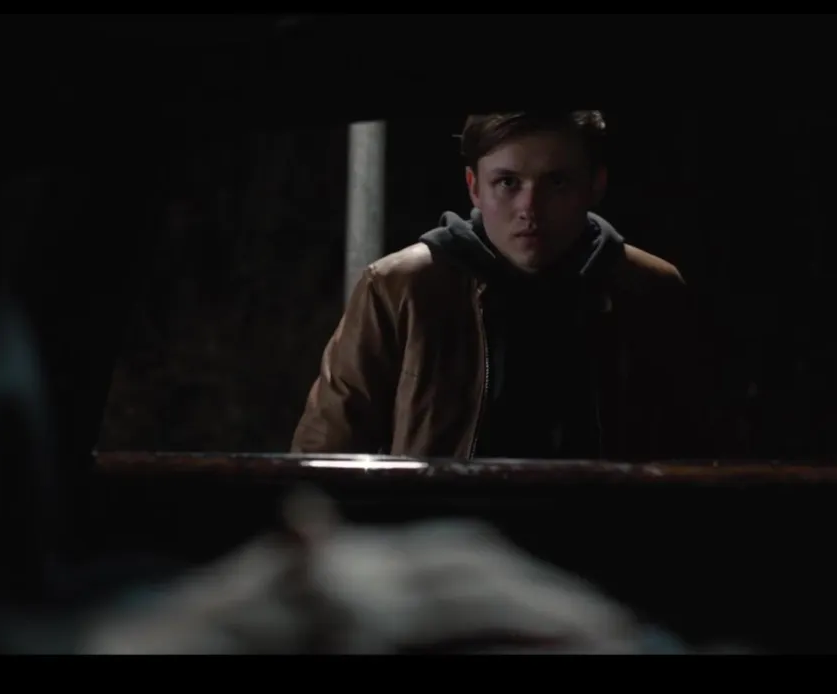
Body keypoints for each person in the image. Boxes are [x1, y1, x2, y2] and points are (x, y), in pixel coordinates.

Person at [293, 111, 709, 460]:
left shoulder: (648, 290)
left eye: (557, 182)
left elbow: (697, 451)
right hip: (442, 531)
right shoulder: (400, 288)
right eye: (508, 182)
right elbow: (326, 454)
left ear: (595, 185)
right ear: (474, 187)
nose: (530, 208)